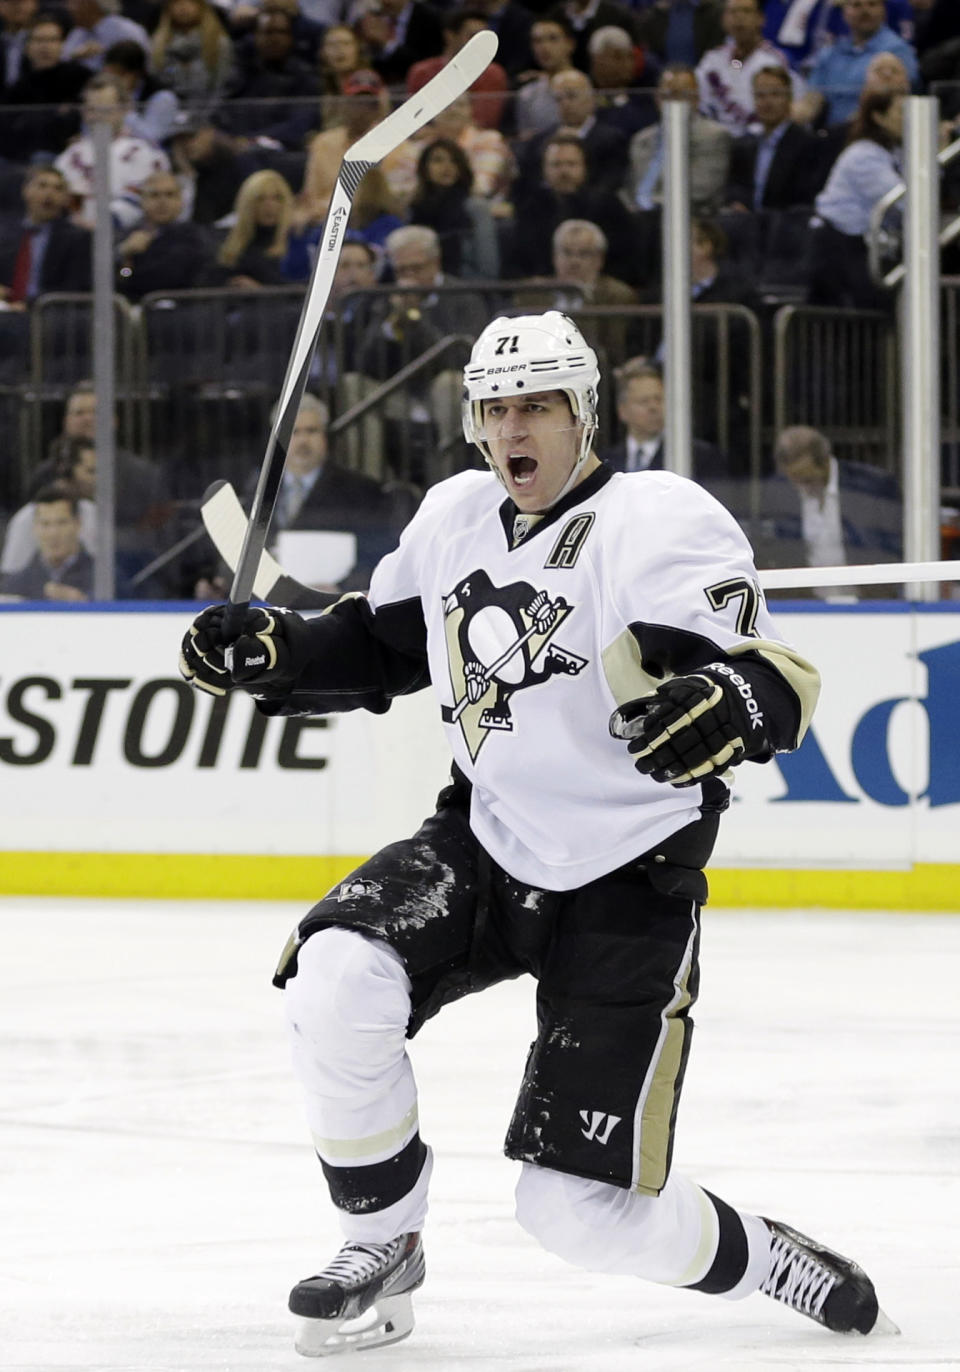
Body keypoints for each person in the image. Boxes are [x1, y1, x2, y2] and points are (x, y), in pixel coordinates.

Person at [179, 308, 891, 1359]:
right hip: (486, 843)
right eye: (496, 407)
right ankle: (382, 1240)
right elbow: (380, 643)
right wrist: (276, 651)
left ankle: (763, 1253)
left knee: (576, 1214)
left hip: (625, 881)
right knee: (337, 971)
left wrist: (724, 702)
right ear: (475, 422)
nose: (515, 427)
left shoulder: (659, 520)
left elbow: (767, 676)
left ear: (582, 414)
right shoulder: (458, 512)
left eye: (539, 406)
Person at [242, 393, 417, 592]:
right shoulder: (258, 490)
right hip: (268, 605)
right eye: (293, 432)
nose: (302, 441)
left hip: (337, 608)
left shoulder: (360, 491)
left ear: (325, 436)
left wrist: (342, 588)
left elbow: (379, 552)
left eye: (311, 431)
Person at [751, 424, 903, 597]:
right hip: (808, 607)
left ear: (825, 462)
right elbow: (773, 549)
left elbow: (895, 547)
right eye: (793, 480)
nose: (801, 487)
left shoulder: (871, 487)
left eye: (807, 479)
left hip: (873, 604)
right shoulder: (779, 492)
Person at [810, 88, 904, 310]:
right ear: (879, 117)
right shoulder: (864, 155)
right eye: (901, 112)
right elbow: (907, 203)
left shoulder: (895, 153)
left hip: (864, 247)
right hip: (838, 247)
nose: (908, 119)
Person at [509, 131, 636, 282]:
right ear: (544, 170)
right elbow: (516, 262)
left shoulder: (608, 206)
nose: (564, 171)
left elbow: (628, 260)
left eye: (571, 164)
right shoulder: (530, 208)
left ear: (585, 168)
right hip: (544, 291)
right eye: (556, 165)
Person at [54, 72, 170, 230]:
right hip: (73, 238)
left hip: (124, 238)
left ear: (125, 109)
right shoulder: (70, 156)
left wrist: (101, 225)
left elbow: (140, 200)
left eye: (106, 110)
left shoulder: (146, 153)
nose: (98, 117)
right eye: (92, 110)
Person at [600, 357, 728, 497]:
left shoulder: (700, 458)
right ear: (622, 411)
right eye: (644, 401)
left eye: (659, 399)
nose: (654, 407)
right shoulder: (604, 464)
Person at [624, 64, 732, 218]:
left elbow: (700, 189)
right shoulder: (641, 139)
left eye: (680, 94)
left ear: (696, 98)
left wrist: (651, 206)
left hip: (690, 217)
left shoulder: (714, 136)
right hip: (639, 218)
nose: (672, 101)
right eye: (667, 95)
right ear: (657, 98)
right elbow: (629, 188)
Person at [795, 0, 918, 129]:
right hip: (832, 134)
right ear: (844, 13)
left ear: (883, 11)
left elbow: (893, 99)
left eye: (872, 4)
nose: (865, 11)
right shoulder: (832, 52)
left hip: (876, 130)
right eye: (856, 5)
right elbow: (811, 100)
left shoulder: (896, 50)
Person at [723, 64, 825, 212]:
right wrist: (738, 203)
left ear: (789, 97)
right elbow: (735, 185)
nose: (767, 102)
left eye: (775, 94)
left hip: (785, 226)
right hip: (746, 225)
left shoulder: (807, 144)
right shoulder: (744, 144)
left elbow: (804, 198)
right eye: (760, 95)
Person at [695, 0, 799, 138]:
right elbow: (698, 102)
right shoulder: (712, 60)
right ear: (723, 20)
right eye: (733, 12)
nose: (739, 17)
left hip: (760, 140)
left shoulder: (775, 60)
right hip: (716, 141)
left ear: (761, 19)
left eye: (746, 11)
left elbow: (794, 108)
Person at [408, 136, 500, 279]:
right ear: (424, 168)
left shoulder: (475, 207)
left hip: (466, 288)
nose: (447, 167)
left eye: (454, 161)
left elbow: (488, 268)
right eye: (438, 160)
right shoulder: (413, 209)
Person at [116, 170, 218, 297]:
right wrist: (126, 256)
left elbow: (172, 276)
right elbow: (124, 277)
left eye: (170, 195)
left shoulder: (196, 237)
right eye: (154, 195)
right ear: (142, 200)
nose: (162, 202)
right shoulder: (128, 237)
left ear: (180, 201)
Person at [406, 7, 509, 132]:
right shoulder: (421, 72)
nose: (479, 43)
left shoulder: (492, 74)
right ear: (450, 36)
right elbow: (413, 122)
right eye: (472, 36)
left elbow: (485, 121)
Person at [0, 165, 91, 306]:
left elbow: (71, 288)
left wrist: (29, 304)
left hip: (48, 315)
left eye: (58, 189)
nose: (49, 194)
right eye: (42, 186)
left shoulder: (77, 238)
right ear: (26, 191)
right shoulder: (5, 233)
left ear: (65, 198)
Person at [2, 12, 89, 160]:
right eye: (39, 40)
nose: (45, 46)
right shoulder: (19, 87)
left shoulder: (81, 77)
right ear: (28, 46)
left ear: (62, 44)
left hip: (72, 153)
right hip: (24, 158)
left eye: (52, 40)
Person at [1, 480, 93, 599]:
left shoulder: (105, 580)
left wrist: (86, 603)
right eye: (45, 524)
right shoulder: (14, 586)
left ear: (78, 524)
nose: (53, 533)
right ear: (35, 527)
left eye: (61, 523)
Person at [214, 167, 296, 287]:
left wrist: (262, 291)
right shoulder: (226, 245)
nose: (269, 205)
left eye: (277, 198)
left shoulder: (296, 242)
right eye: (260, 199)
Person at [150, 0, 236, 106]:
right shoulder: (157, 44)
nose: (183, 7)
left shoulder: (218, 43)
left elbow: (223, 86)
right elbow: (155, 81)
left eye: (190, 2)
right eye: (176, 3)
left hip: (209, 110)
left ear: (202, 6)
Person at [102, 38, 180, 147]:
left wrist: (124, 108)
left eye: (117, 75)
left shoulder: (163, 97)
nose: (111, 81)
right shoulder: (103, 93)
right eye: (108, 75)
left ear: (135, 73)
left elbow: (153, 139)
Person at [512, 13, 577, 143]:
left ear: (570, 44)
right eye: (537, 41)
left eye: (553, 39)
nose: (544, 47)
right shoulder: (527, 95)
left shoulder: (588, 86)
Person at [59, 0, 150, 72]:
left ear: (89, 4)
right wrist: (74, 55)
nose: (68, 8)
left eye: (73, 2)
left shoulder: (127, 32)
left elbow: (140, 70)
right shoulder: (78, 32)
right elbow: (60, 61)